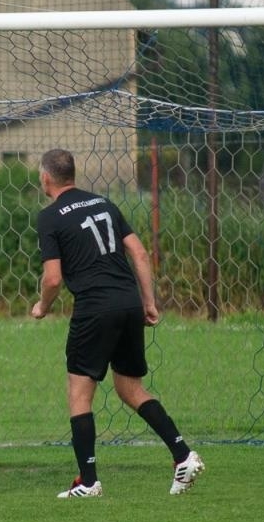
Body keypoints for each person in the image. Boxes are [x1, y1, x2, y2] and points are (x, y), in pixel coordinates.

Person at [29, 148, 203, 499]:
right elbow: (139, 252)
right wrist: (148, 302)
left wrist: (42, 306)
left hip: (95, 308)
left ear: (46, 178)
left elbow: (52, 278)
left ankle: (88, 481)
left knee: (79, 393)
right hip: (128, 302)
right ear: (73, 174)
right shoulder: (104, 204)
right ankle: (183, 455)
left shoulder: (49, 217)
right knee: (130, 388)